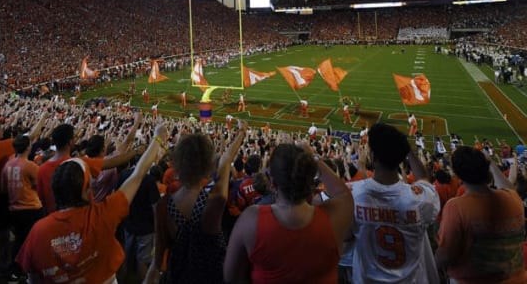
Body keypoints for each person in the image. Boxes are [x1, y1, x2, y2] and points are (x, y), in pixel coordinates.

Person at [16, 123, 169, 284]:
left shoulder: (38, 231)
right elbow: (138, 174)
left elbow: (32, 278)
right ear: (87, 191)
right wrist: (157, 138)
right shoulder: (103, 215)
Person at [224, 141, 354, 283]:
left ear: (272, 184)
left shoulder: (250, 219)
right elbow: (343, 194)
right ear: (310, 181)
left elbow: (231, 278)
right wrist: (314, 158)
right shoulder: (333, 217)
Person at [145, 121, 247, 284]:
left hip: (178, 275)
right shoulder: (215, 200)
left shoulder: (163, 205)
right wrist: (242, 131)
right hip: (212, 276)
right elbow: (226, 159)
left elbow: (157, 263)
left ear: (176, 164)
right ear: (208, 167)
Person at [350, 123, 440, 284]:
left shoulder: (352, 194)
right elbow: (424, 180)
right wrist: (407, 150)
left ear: (373, 157)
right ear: (401, 156)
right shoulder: (420, 198)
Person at [436, 146, 527, 283]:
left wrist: (435, 266)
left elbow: (446, 254)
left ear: (457, 174)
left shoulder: (456, 206)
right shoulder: (513, 199)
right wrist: (489, 162)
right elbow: (508, 187)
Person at [0, 112, 47, 272]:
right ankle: (5, 261)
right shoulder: (1, 146)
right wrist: (43, 116)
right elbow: (30, 136)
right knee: (3, 232)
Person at [1, 132, 46, 283]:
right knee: (31, 242)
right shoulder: (31, 166)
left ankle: (15, 269)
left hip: (15, 208)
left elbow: (3, 188)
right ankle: (23, 271)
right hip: (31, 208)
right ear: (28, 148)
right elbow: (39, 188)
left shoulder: (8, 164)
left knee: (20, 240)